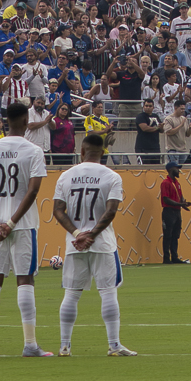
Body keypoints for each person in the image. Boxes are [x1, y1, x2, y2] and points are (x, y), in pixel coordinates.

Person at [0, 100, 50, 356]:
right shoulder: (34, 151)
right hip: (23, 225)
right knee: (24, 280)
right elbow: (34, 190)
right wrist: (12, 222)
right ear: (27, 122)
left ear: (6, 121)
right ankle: (29, 344)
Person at [50, 129, 134, 357]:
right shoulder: (112, 176)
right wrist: (92, 235)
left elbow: (58, 210)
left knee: (71, 294)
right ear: (103, 152)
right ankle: (114, 345)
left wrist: (79, 234)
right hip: (103, 243)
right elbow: (111, 211)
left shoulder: (65, 176)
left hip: (74, 244)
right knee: (108, 293)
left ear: (82, 150)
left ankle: (64, 346)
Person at [158, 162, 190, 264]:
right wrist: (180, 204)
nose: (179, 170)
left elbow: (181, 197)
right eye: (177, 168)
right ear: (171, 169)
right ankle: (166, 258)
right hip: (169, 211)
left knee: (175, 235)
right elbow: (166, 199)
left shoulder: (177, 183)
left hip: (176, 211)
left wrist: (183, 203)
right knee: (168, 235)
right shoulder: (165, 183)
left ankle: (174, 257)